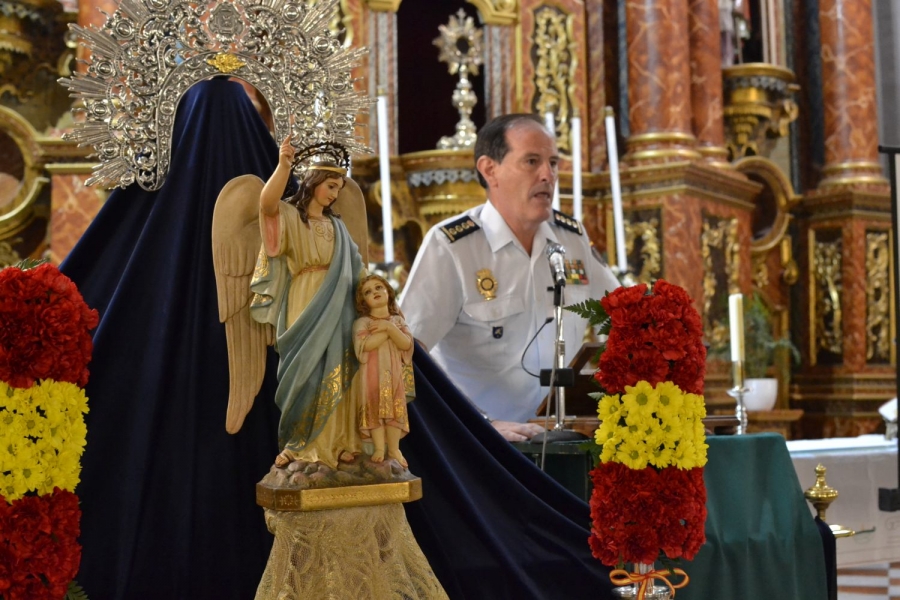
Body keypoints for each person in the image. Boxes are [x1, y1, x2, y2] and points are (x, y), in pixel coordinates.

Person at [399, 114, 620, 442]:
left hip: (563, 439)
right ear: (490, 170)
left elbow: (623, 316)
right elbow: (405, 354)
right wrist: (479, 423)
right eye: (532, 161)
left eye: (553, 163)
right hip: (479, 445)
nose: (548, 175)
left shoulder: (571, 239)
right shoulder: (454, 246)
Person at [250, 134, 365, 467]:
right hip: (303, 298)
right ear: (313, 182)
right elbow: (266, 204)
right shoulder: (288, 216)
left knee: (339, 367)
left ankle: (339, 442)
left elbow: (358, 270)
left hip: (340, 302)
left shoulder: (338, 228)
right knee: (306, 371)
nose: (334, 194)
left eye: (339, 189)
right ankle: (300, 444)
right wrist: (284, 166)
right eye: (330, 186)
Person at [353, 274, 414, 467]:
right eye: (368, 292)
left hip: (393, 374)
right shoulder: (362, 323)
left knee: (394, 409)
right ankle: (379, 448)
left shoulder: (397, 321)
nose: (375, 292)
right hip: (371, 374)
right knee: (374, 407)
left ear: (388, 290)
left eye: (379, 287)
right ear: (364, 301)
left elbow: (405, 344)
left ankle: (394, 448)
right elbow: (365, 345)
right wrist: (387, 332)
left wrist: (388, 327)